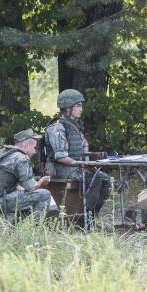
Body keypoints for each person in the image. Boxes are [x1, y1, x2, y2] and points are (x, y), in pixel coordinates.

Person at [45, 89, 112, 218]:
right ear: (68, 107)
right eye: (78, 105)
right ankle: (84, 218)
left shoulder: (75, 125)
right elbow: (60, 156)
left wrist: (94, 157)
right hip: (60, 168)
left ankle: (92, 215)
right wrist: (80, 164)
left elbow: (82, 148)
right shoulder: (57, 127)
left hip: (76, 166)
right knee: (96, 178)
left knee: (106, 180)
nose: (81, 109)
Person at [0, 129, 52, 219]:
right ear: (26, 145)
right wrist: (41, 181)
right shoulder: (21, 158)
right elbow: (31, 187)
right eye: (34, 147)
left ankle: (16, 228)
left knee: (26, 194)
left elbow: (7, 183)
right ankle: (32, 229)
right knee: (44, 195)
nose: (35, 152)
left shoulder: (2, 154)